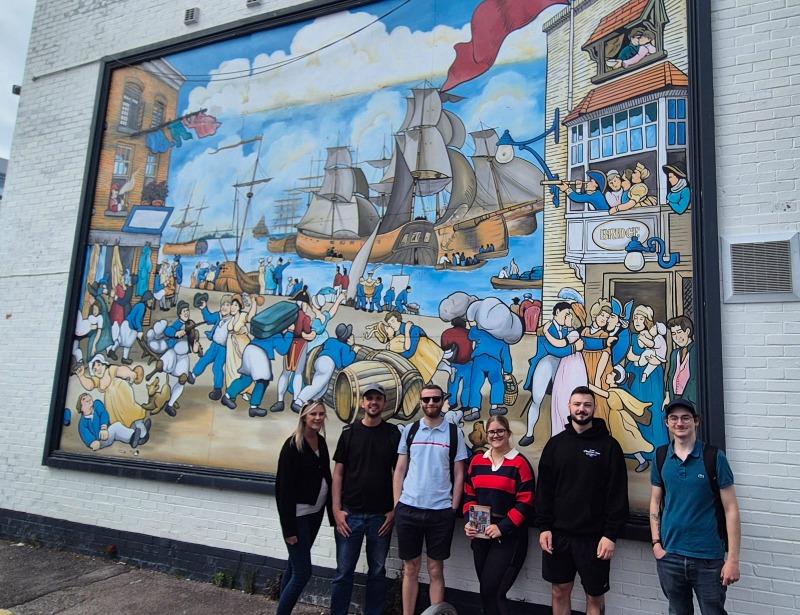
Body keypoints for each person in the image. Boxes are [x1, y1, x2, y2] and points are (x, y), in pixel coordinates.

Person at [536, 386, 629, 615]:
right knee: (559, 591)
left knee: (594, 597)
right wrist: (544, 527)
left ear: (594, 408)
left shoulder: (609, 447)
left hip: (595, 538)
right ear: (569, 407)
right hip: (559, 536)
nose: (581, 409)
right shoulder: (555, 445)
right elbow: (544, 491)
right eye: (577, 404)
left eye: (587, 405)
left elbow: (617, 494)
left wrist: (610, 535)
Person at [650, 398, 741, 614]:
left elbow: (731, 510)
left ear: (696, 421)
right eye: (674, 418)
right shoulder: (660, 456)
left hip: (708, 558)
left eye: (685, 418)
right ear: (667, 423)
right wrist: (656, 544)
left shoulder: (714, 457)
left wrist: (733, 560)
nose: (679, 423)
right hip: (670, 556)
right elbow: (655, 502)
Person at [393, 384, 468, 615]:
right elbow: (400, 469)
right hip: (409, 509)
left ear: (442, 401)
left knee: (436, 569)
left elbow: (459, 473)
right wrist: (397, 505)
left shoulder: (454, 433)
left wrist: (453, 508)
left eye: (435, 399)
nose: (431, 403)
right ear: (420, 403)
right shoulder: (411, 430)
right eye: (426, 400)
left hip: (440, 512)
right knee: (410, 568)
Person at [329, 384, 401, 615]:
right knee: (343, 572)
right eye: (369, 398)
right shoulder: (349, 433)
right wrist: (336, 510)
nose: (373, 402)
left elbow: (400, 474)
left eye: (378, 398)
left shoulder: (393, 434)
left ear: (384, 403)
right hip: (350, 515)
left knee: (377, 572)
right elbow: (338, 474)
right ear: (362, 403)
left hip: (381, 517)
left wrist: (395, 510)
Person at [463, 416, 535, 615]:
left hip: (509, 533)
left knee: (493, 592)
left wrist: (502, 528)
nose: (496, 435)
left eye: (500, 431)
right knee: (485, 592)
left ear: (508, 433)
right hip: (481, 530)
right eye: (492, 432)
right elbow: (469, 493)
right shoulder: (477, 461)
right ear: (487, 435)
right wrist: (469, 522)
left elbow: (526, 502)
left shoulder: (519, 463)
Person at [275, 400, 333, 615]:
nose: (317, 418)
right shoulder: (293, 445)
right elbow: (283, 489)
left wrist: (333, 509)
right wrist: (288, 530)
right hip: (298, 517)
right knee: (302, 573)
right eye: (313, 414)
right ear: (304, 417)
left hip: (315, 514)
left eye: (321, 414)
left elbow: (326, 475)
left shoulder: (321, 442)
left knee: (294, 566)